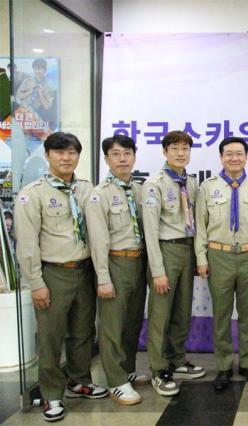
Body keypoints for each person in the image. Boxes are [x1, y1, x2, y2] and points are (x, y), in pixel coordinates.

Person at [15, 132, 107, 422]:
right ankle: (51, 394)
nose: (66, 158)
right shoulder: (34, 193)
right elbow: (27, 243)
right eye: (59, 152)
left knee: (83, 331)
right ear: (47, 156)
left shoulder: (85, 189)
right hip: (53, 273)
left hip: (84, 270)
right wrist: (36, 283)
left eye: (71, 153)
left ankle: (79, 380)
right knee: (51, 337)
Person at [195, 136, 248, 392]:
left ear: (246, 157)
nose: (234, 158)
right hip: (219, 256)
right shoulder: (208, 187)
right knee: (221, 314)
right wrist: (201, 258)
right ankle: (224, 366)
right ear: (221, 157)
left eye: (239, 154)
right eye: (228, 154)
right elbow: (201, 229)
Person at [85, 135, 148, 405]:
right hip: (115, 262)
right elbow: (98, 240)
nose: (122, 158)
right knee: (112, 325)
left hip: (139, 261)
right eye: (116, 154)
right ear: (107, 159)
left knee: (132, 321)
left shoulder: (140, 189)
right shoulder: (99, 195)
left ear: (134, 156)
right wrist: (103, 277)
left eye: (127, 153)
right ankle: (115, 381)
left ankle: (128, 369)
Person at [142, 130, 205, 397]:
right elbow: (150, 230)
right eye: (175, 148)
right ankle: (159, 369)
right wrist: (157, 271)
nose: (181, 153)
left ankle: (177, 360)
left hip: (187, 250)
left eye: (185, 149)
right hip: (166, 251)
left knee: (181, 311)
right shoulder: (154, 184)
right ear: (164, 152)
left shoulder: (189, 182)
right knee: (160, 315)